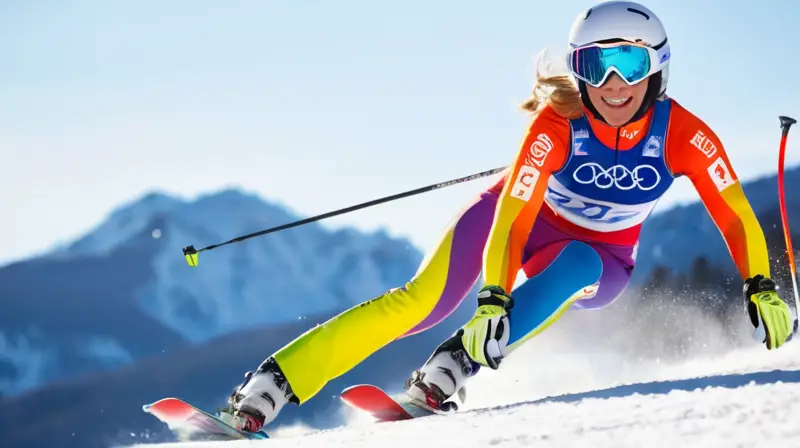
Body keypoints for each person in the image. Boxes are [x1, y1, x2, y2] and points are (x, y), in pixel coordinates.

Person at [220, 0, 794, 433]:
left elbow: (736, 214)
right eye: (595, 66)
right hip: (507, 221)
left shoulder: (685, 135)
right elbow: (514, 214)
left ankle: (451, 368)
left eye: (628, 62)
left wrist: (759, 284)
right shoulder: (556, 125)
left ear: (657, 67)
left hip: (603, 257)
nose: (613, 83)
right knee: (422, 301)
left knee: (577, 261)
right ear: (578, 70)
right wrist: (493, 294)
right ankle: (270, 386)